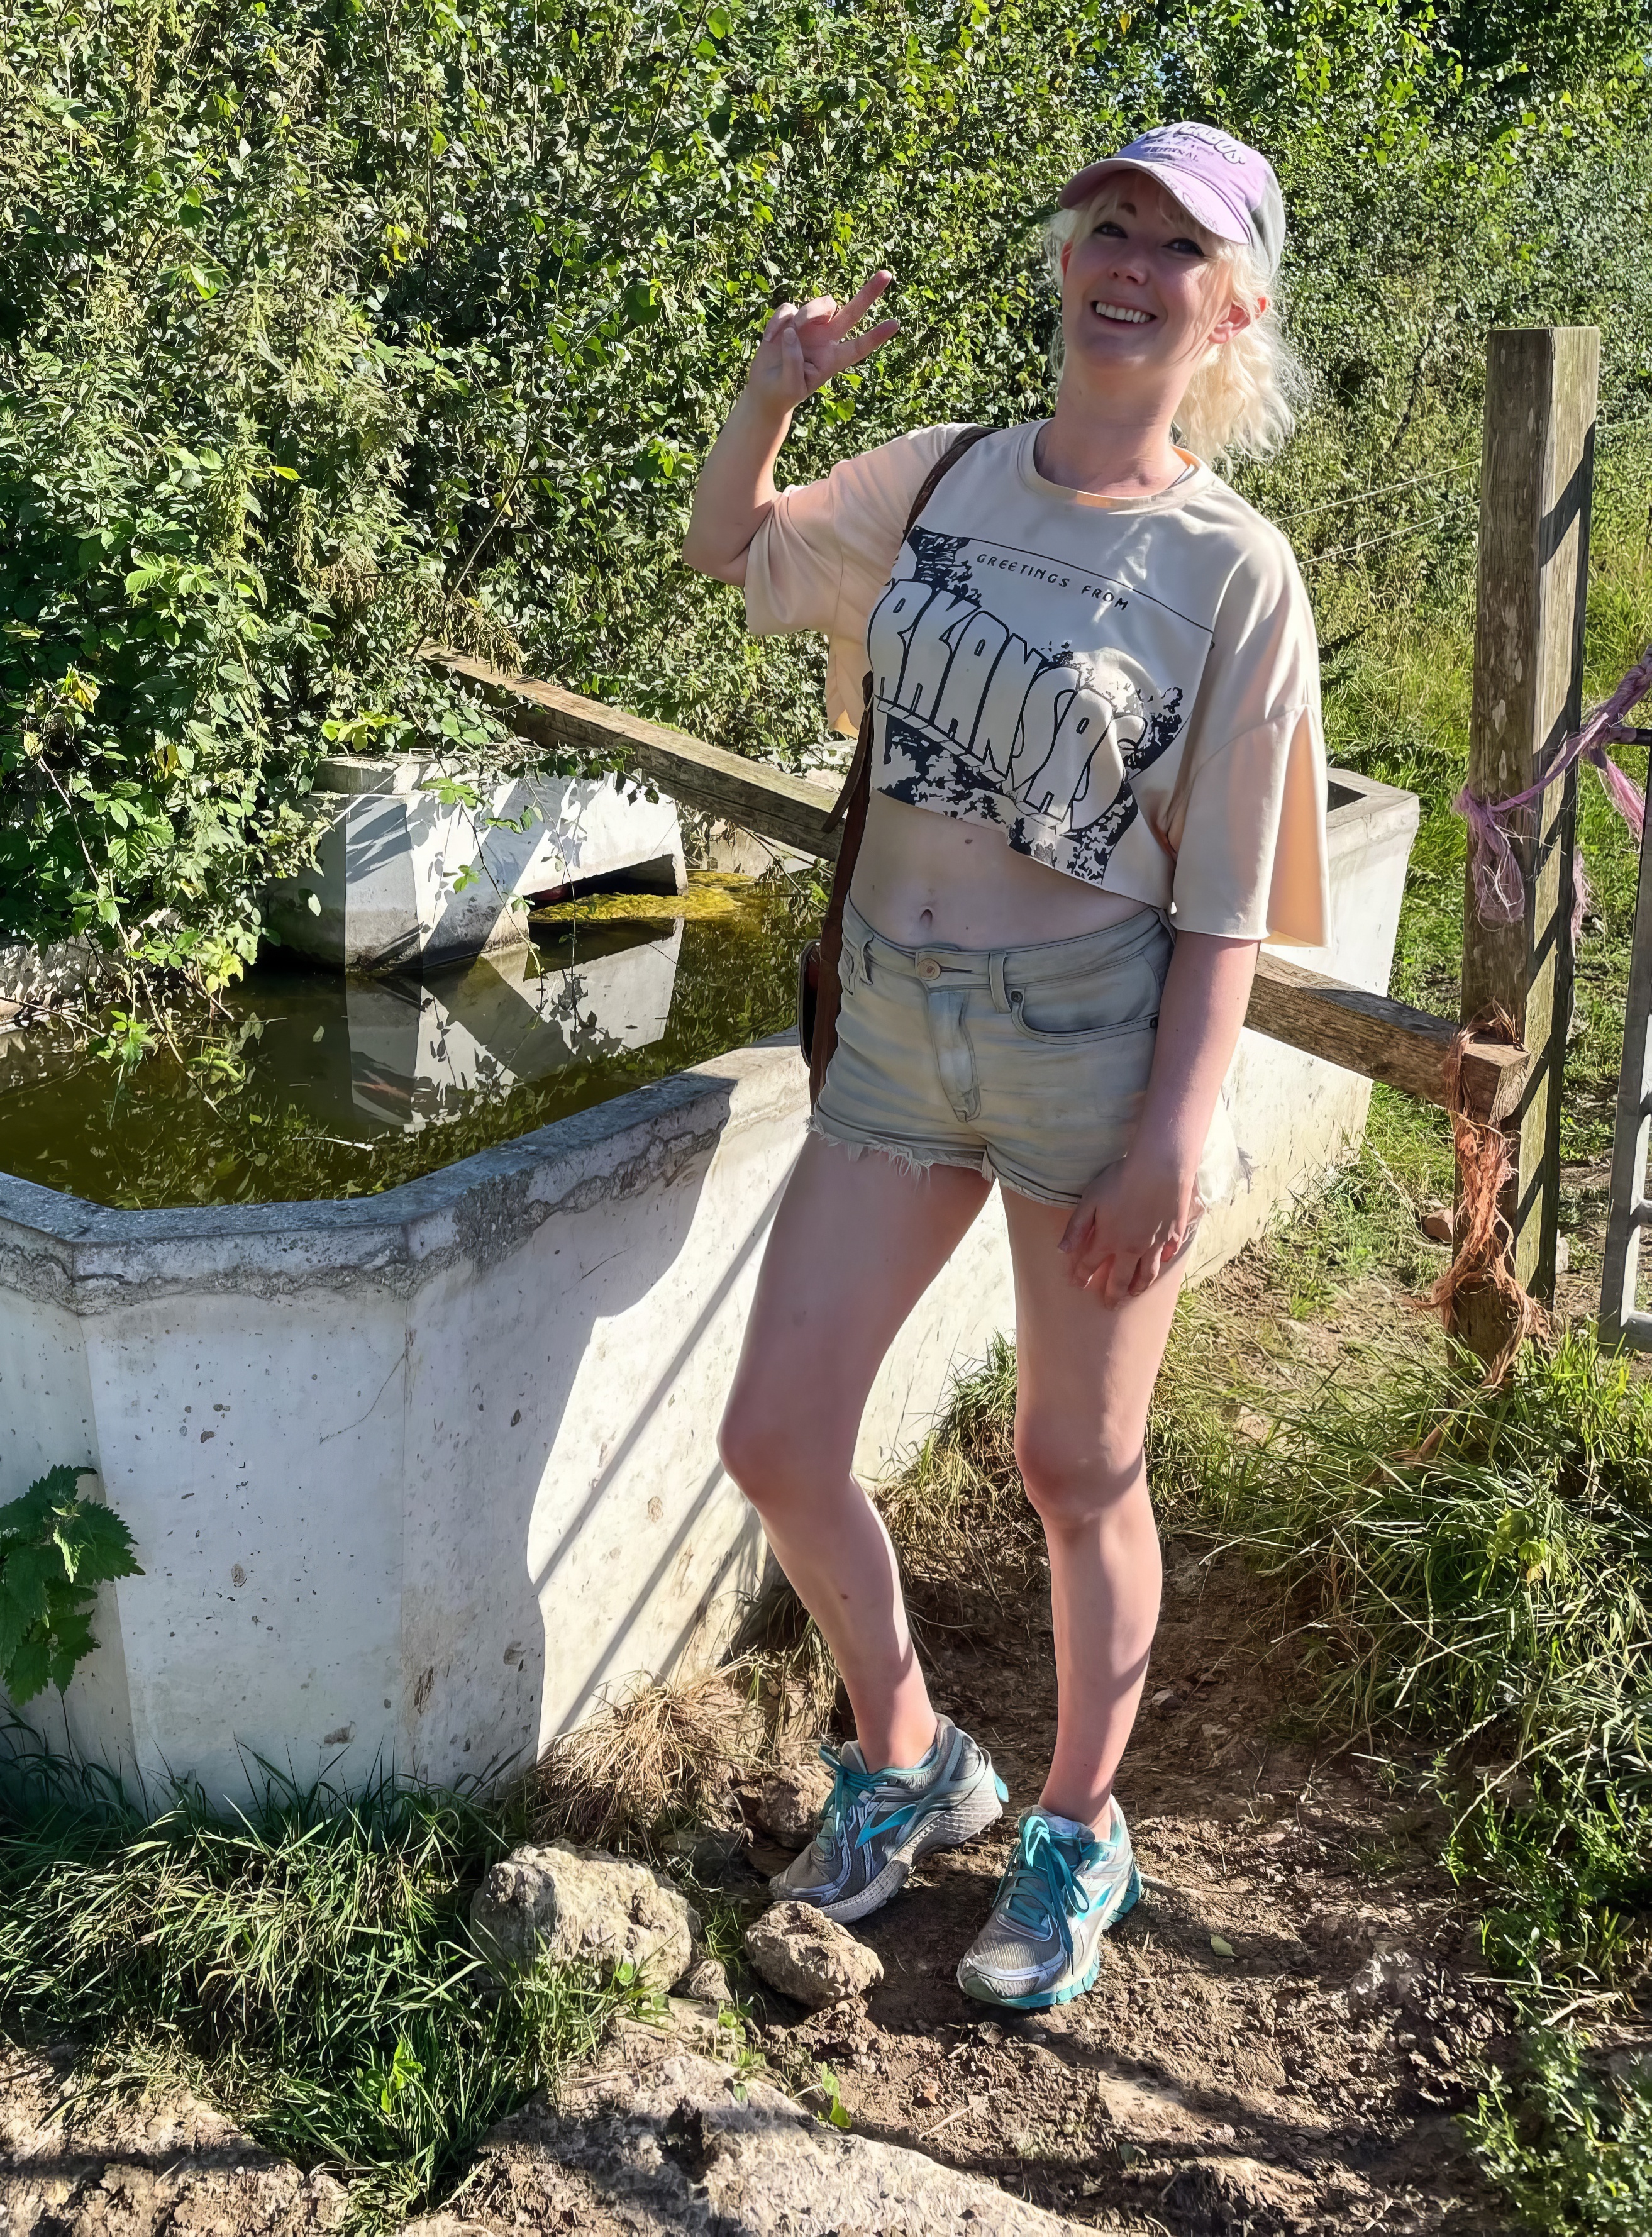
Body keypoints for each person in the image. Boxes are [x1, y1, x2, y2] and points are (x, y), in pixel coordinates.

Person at [680, 123, 1329, 2010]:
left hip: (1085, 1054)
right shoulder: (945, 473)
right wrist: (767, 389)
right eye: (1103, 225)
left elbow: (1225, 902)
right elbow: (733, 550)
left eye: (1174, 245)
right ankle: (907, 1755)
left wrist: (1173, 1139)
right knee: (773, 1438)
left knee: (1075, 1462)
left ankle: (1075, 1824)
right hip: (890, 1019)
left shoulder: (1231, 572)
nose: (1125, 261)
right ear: (1064, 259)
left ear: (1231, 308)